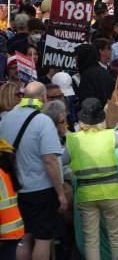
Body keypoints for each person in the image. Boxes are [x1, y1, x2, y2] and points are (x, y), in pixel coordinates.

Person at [0, 81, 67, 260]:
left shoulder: (6, 118)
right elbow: (50, 161)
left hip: (15, 190)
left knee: (24, 238)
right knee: (43, 239)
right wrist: (60, 194)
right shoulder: (43, 121)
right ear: (44, 97)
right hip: (41, 191)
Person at [67, 97, 118, 260]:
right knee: (116, 237)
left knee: (91, 239)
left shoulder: (73, 140)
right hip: (112, 195)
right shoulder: (111, 136)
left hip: (86, 196)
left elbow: (59, 161)